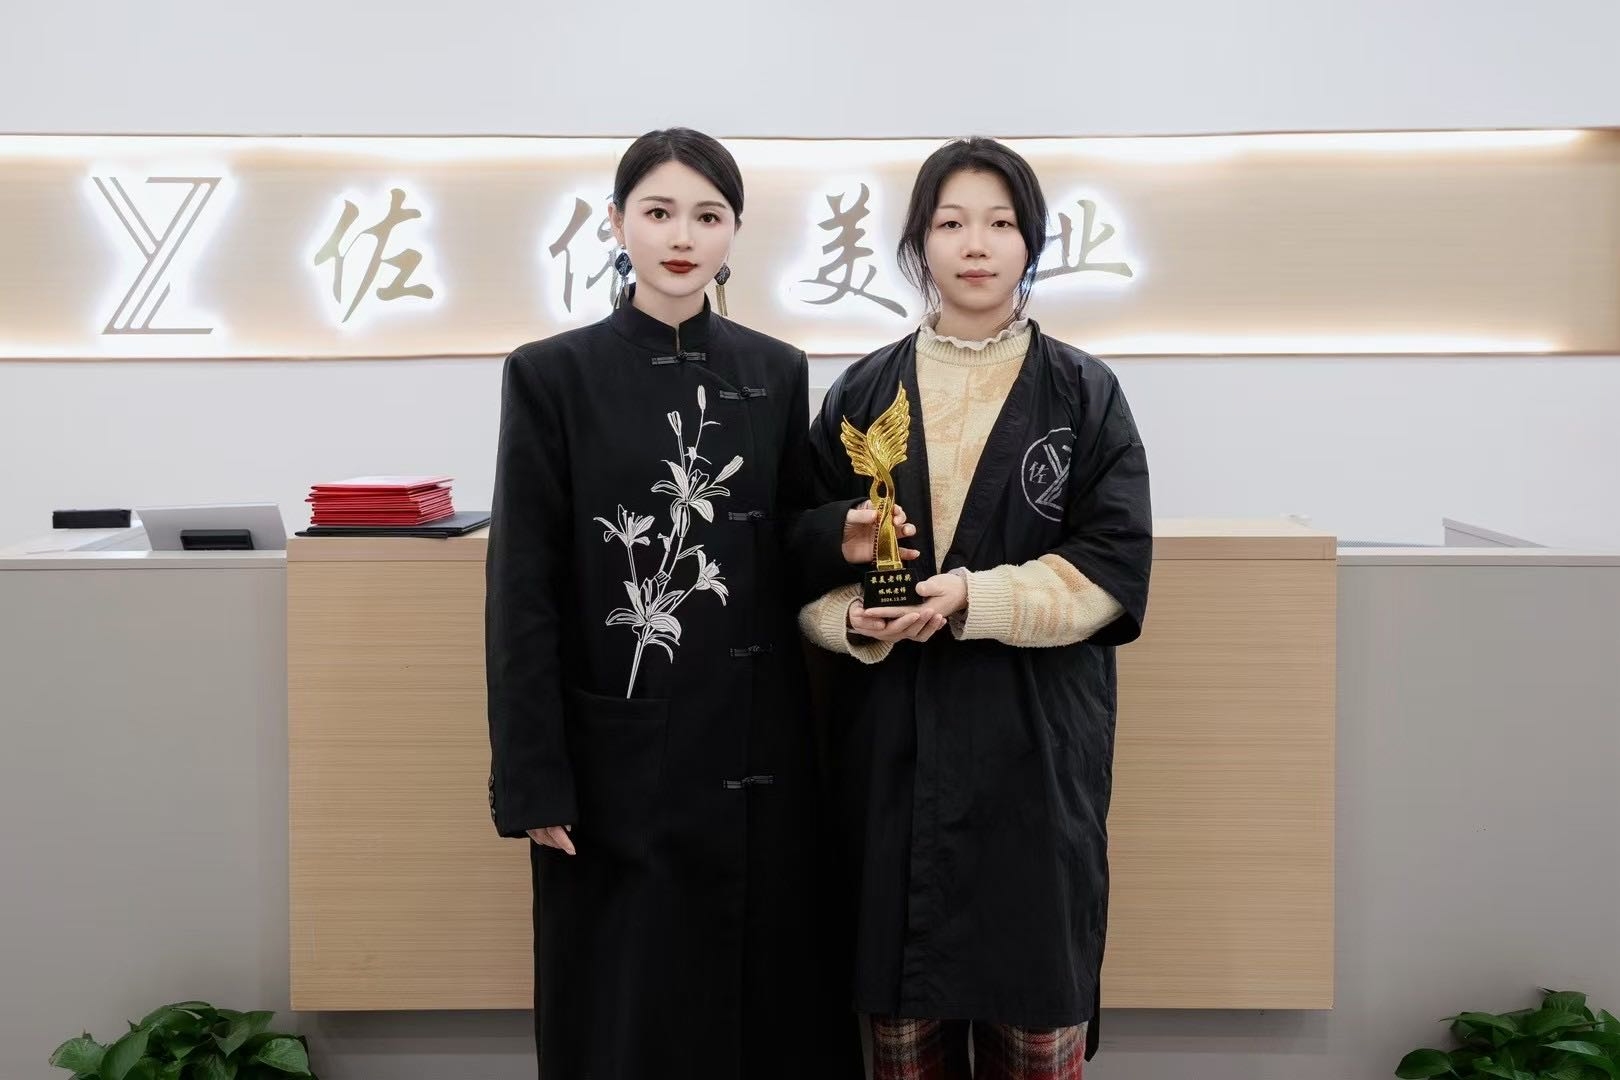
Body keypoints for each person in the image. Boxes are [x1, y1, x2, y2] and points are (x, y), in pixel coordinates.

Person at [485, 127, 875, 1080]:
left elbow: (780, 536)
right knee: (631, 1011)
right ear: (616, 222)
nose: (682, 236)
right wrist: (533, 777)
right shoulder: (551, 375)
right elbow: (522, 589)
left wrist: (841, 534)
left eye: (708, 215)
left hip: (757, 747)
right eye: (658, 212)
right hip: (618, 754)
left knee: (766, 1010)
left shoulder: (775, 369)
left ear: (735, 231)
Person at [796, 136, 1153, 1079]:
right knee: (901, 1027)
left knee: (1035, 1025)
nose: (976, 244)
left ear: (1031, 241)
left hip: (1035, 751)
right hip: (893, 751)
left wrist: (972, 597)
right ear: (920, 241)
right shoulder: (863, 392)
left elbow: (1112, 567)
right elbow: (798, 561)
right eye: (951, 222)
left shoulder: (1084, 393)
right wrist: (848, 621)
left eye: (1000, 223)